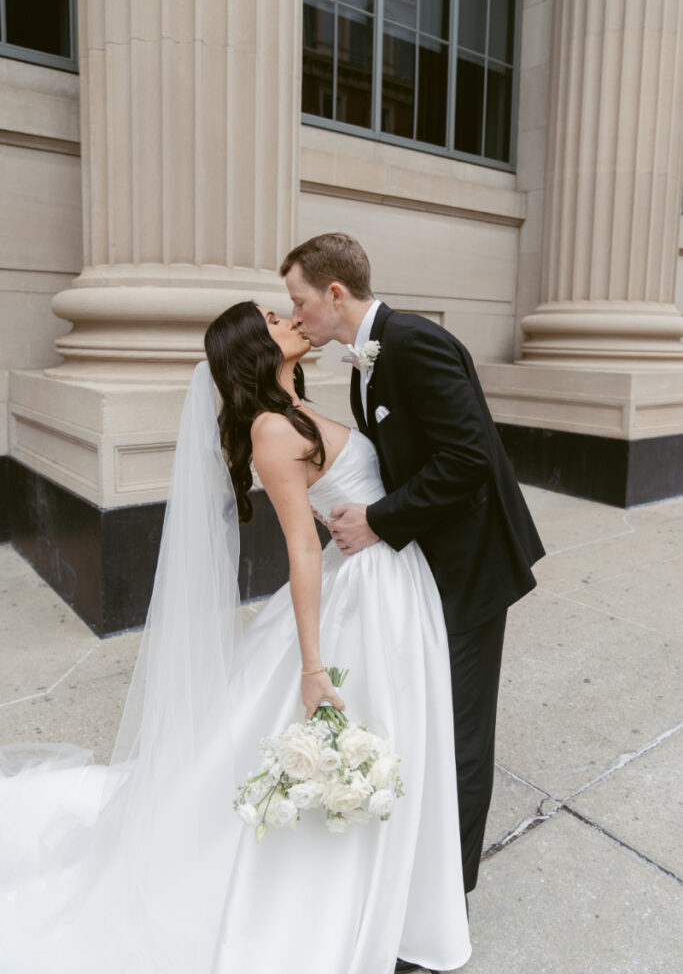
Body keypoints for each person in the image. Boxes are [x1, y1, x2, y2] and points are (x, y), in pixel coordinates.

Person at [0, 299, 472, 974]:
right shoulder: (273, 431)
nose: (291, 317)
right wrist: (313, 667)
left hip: (387, 582)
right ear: (255, 345)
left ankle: (395, 891)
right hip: (353, 594)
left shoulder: (299, 406)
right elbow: (300, 550)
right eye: (274, 315)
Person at [281, 232, 545, 970]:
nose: (294, 315)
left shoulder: (412, 343)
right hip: (427, 562)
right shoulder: (368, 356)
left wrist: (380, 519)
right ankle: (420, 889)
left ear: (336, 294)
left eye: (299, 300)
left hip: (469, 567)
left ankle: (441, 914)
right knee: (432, 723)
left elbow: (468, 454)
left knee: (459, 734)